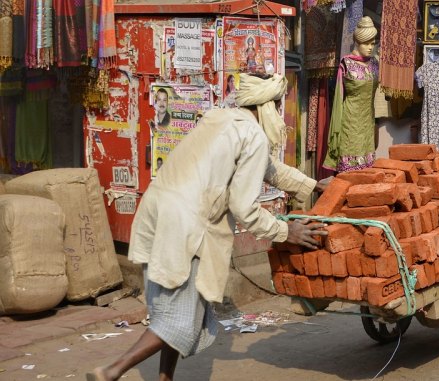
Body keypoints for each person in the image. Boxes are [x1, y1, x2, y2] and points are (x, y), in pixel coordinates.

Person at [87, 73, 329, 381]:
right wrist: (286, 232)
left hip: (159, 211)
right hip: (187, 225)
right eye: (277, 106)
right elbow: (244, 206)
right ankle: (110, 371)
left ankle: (165, 378)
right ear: (267, 106)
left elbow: (268, 169)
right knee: (178, 321)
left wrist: (311, 186)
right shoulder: (253, 135)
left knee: (177, 311)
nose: (280, 114)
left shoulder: (221, 117)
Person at [323, 16, 380, 172]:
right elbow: (338, 98)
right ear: (357, 42)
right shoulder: (346, 63)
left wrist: (378, 123)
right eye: (366, 43)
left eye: (373, 44)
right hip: (350, 122)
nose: (370, 48)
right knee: (349, 171)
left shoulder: (375, 63)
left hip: (368, 122)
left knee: (367, 171)